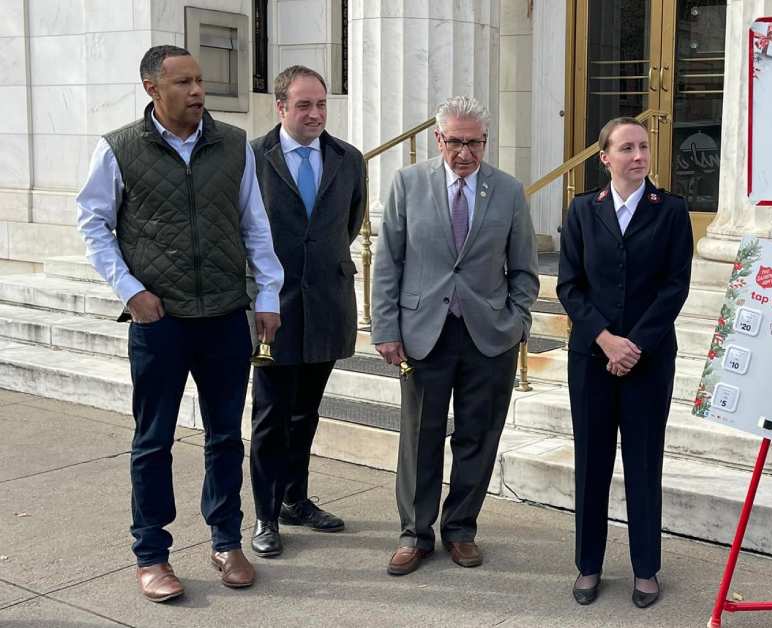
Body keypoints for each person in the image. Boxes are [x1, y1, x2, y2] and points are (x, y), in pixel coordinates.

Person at [75, 45, 284, 601]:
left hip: (222, 314)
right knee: (153, 441)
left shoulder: (233, 144)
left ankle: (226, 540)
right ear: (152, 89)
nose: (197, 91)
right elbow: (93, 225)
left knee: (224, 437)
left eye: (200, 81)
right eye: (184, 82)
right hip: (159, 319)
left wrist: (268, 294)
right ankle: (152, 554)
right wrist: (131, 291)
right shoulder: (118, 149)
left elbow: (254, 224)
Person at [371, 95, 538, 576]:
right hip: (424, 333)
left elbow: (525, 269)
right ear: (438, 139)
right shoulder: (407, 184)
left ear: (485, 143)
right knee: (420, 438)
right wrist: (386, 327)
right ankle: (415, 534)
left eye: (475, 143)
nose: (465, 153)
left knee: (478, 437)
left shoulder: (507, 191)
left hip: (489, 336)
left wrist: (518, 319)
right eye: (456, 142)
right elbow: (389, 264)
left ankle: (461, 529)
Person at [556, 117, 694, 609]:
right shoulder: (581, 211)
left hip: (649, 359)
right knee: (592, 463)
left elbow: (675, 285)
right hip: (592, 359)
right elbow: (568, 286)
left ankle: (645, 567)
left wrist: (633, 345)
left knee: (642, 462)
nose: (638, 156)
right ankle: (589, 564)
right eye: (627, 148)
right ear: (605, 157)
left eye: (643, 148)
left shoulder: (671, 211)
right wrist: (606, 340)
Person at [247, 66, 365, 558]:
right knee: (271, 415)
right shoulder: (252, 158)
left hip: (326, 305)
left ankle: (297, 498)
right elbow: (243, 230)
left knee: (307, 412)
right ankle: (266, 514)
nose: (315, 114)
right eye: (303, 105)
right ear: (280, 107)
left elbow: (350, 223)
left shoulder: (348, 159)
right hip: (272, 311)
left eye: (321, 104)